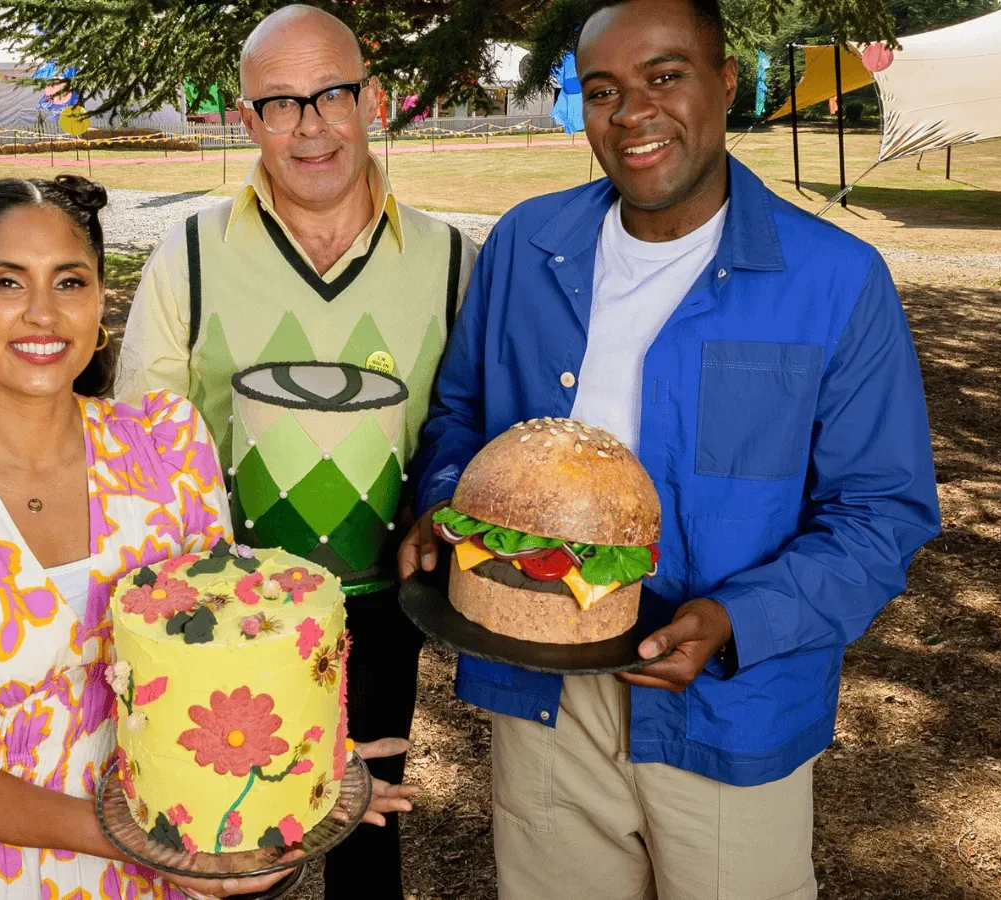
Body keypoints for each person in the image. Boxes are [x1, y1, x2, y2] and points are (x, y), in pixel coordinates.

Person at [401, 1, 941, 898]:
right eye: (604, 90)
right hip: (540, 690)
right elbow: (459, 418)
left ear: (725, 82)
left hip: (730, 704)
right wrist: (452, 503)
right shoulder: (524, 250)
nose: (633, 114)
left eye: (665, 76)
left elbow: (881, 512)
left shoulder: (836, 280)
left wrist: (739, 620)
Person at [0, 166, 414, 900]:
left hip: (160, 864)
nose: (42, 313)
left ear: (99, 303)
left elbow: (223, 654)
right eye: (5, 282)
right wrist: (133, 844)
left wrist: (300, 779)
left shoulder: (165, 447)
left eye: (70, 282)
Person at [116, 7, 475, 897]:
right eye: (280, 104)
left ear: (373, 100)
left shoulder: (453, 260)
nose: (310, 126)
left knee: (365, 831)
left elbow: (472, 429)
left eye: (332, 96)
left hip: (381, 604)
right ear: (246, 121)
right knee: (222, 845)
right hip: (217, 614)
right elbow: (138, 447)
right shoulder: (189, 254)